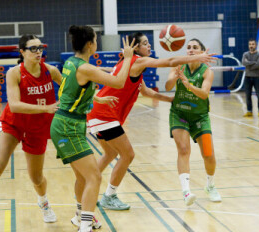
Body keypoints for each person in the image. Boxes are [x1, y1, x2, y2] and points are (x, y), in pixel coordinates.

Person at [86, 32, 216, 210]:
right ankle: (109, 195)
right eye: (146, 44)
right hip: (105, 115)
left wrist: (171, 100)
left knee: (110, 154)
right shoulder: (137, 61)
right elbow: (169, 62)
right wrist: (197, 56)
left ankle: (87, 184)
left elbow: (146, 92)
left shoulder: (128, 64)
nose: (150, 47)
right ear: (136, 48)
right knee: (128, 155)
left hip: (97, 114)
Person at [50, 25, 136, 232]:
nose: (96, 42)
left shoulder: (72, 63)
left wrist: (97, 98)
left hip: (69, 125)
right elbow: (118, 82)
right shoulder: (85, 68)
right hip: (68, 126)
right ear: (90, 44)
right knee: (94, 177)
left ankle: (80, 217)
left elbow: (72, 89)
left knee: (82, 176)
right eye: (96, 39)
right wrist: (127, 59)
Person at [0, 35, 61, 232]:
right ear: (22, 52)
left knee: (36, 178)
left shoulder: (50, 71)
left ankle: (43, 202)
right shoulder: (14, 73)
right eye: (33, 48)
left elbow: (70, 87)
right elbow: (15, 105)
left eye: (40, 47)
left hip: (36, 128)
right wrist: (46, 108)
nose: (38, 52)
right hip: (14, 124)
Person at [165, 39, 222, 206]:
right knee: (183, 149)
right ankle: (186, 191)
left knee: (208, 154)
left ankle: (210, 185)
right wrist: (174, 78)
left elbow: (204, 94)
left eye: (195, 47)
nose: (190, 50)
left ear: (202, 52)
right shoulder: (178, 65)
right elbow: (168, 87)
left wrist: (188, 85)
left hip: (200, 117)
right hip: (179, 114)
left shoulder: (207, 71)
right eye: (188, 47)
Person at [242, 39, 259, 117]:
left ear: (256, 45)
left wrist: (249, 65)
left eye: (253, 44)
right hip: (247, 77)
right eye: (250, 44)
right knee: (248, 95)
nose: (251, 46)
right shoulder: (245, 54)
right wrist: (253, 62)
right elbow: (244, 63)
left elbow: (258, 64)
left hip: (257, 77)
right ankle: (249, 111)